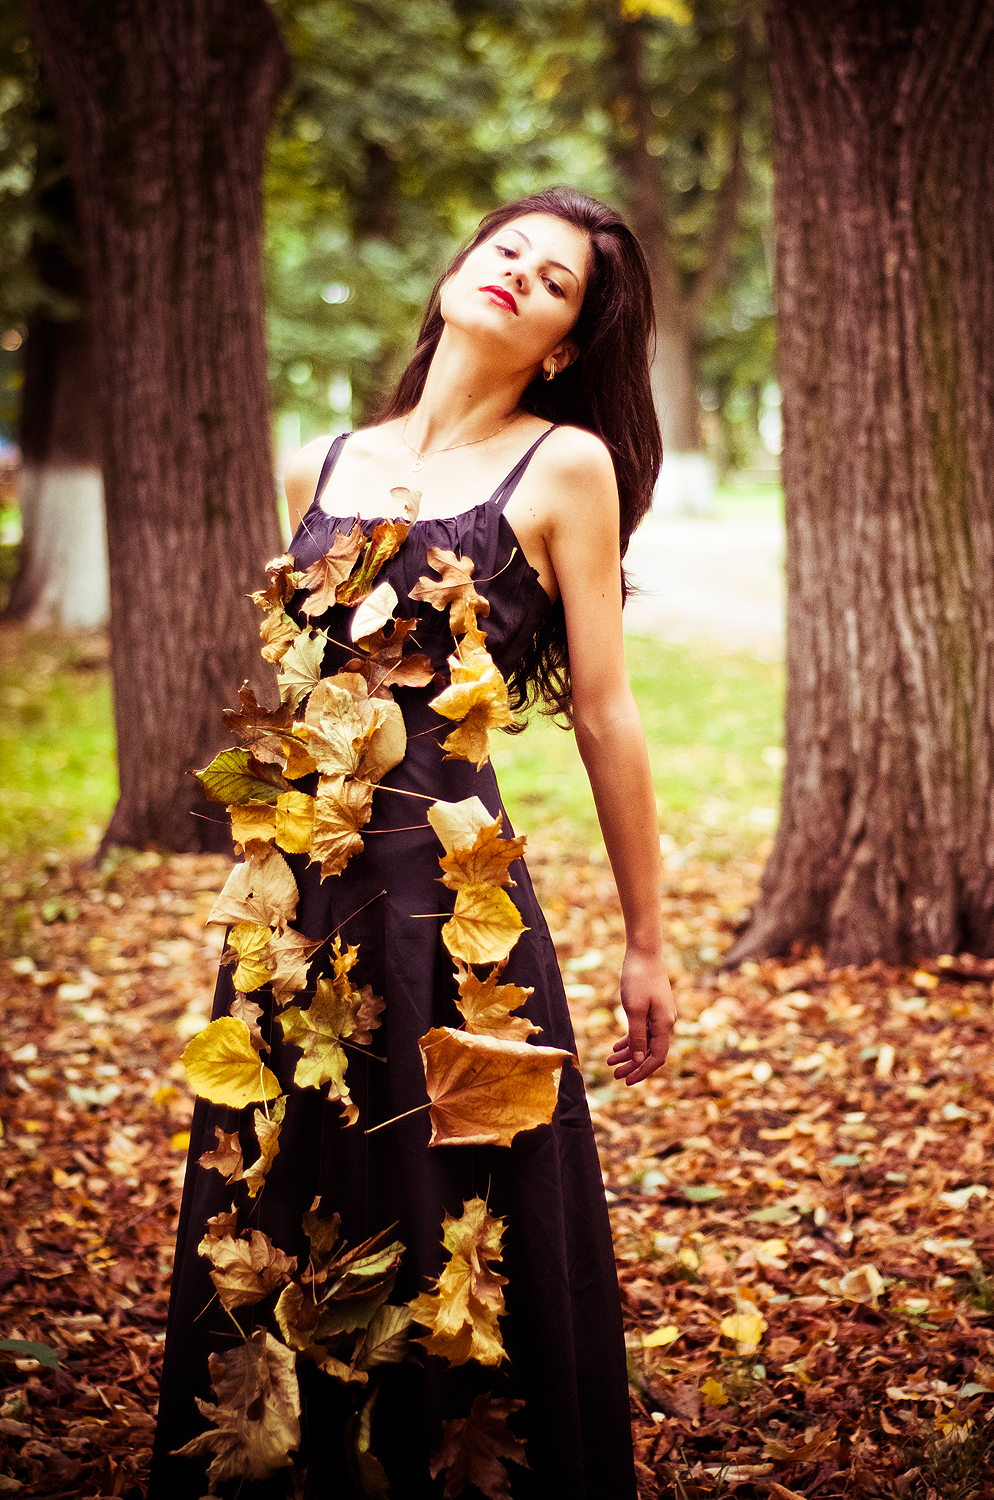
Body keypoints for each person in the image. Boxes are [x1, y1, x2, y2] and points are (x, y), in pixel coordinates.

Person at [148, 186, 675, 1500]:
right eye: (507, 249)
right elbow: (297, 686)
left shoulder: (565, 465)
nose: (518, 274)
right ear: (459, 267)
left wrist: (648, 942)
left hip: (457, 918)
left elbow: (605, 712)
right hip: (293, 915)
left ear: (563, 345)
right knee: (282, 1207)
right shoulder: (321, 461)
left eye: (552, 282)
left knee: (467, 1234)